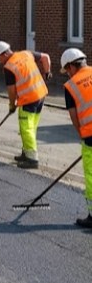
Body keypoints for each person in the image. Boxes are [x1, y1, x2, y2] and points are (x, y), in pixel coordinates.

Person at [0, 40, 52, 169]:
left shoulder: (9, 67)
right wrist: (47, 72)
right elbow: (45, 57)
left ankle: (32, 159)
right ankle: (26, 152)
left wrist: (12, 105)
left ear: (4, 54)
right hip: (41, 94)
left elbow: (11, 90)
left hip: (28, 99)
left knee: (26, 128)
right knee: (32, 127)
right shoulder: (26, 53)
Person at [59, 48, 92, 228]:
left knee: (91, 176)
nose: (68, 74)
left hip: (91, 136)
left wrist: (83, 136)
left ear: (72, 66)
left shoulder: (71, 86)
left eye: (67, 70)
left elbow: (74, 116)